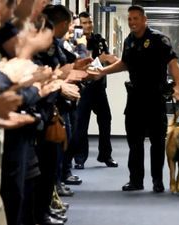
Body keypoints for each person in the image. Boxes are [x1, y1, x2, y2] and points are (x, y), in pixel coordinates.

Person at [88, 5, 179, 193]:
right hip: (135, 98)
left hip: (155, 97)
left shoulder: (159, 39)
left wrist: (178, 86)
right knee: (135, 141)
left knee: (156, 142)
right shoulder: (129, 40)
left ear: (144, 19)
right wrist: (102, 72)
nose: (132, 22)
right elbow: (124, 63)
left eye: (135, 18)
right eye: (130, 19)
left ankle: (157, 181)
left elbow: (173, 63)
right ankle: (136, 180)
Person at [69, 11, 118, 170]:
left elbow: (107, 59)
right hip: (83, 88)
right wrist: (100, 60)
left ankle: (105, 155)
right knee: (81, 124)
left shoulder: (99, 40)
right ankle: (80, 158)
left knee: (106, 119)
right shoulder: (75, 41)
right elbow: (81, 64)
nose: (88, 25)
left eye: (89, 22)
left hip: (98, 87)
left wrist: (110, 61)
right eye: (84, 23)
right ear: (78, 25)